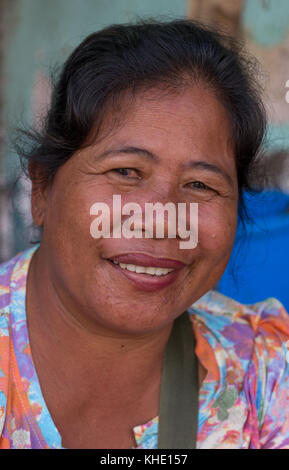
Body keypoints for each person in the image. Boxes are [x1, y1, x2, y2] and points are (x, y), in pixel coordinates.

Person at [1, 19, 289, 450]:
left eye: (200, 185)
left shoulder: (261, 374)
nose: (161, 219)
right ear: (42, 189)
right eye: (125, 171)